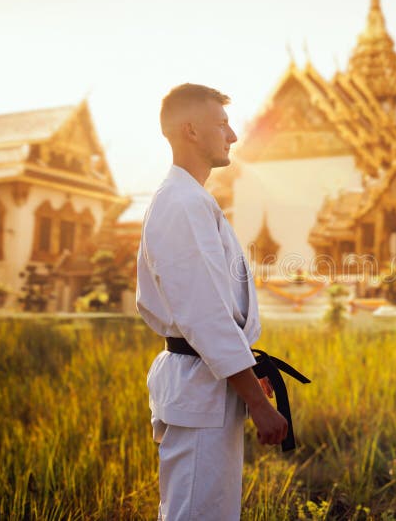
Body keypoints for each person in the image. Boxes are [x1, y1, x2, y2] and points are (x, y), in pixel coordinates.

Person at [136, 83, 289, 520]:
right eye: (221, 124)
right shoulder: (182, 203)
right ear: (191, 131)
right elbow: (205, 315)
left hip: (208, 381)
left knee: (208, 508)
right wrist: (258, 403)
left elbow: (217, 309)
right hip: (199, 383)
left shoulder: (191, 199)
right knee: (197, 512)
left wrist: (245, 377)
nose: (234, 135)